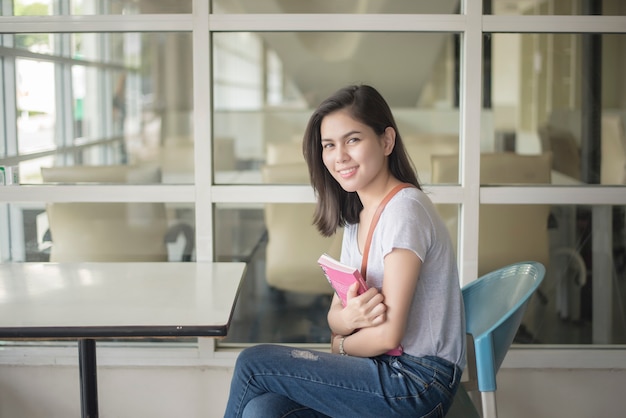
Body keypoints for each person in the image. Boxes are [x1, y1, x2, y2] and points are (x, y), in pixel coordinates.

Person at [224, 84, 466, 418]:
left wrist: (340, 343)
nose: (339, 157)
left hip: (417, 383)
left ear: (386, 141)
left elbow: (387, 335)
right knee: (264, 410)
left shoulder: (404, 212)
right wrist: (348, 320)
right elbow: (336, 314)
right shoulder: (357, 218)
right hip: (379, 370)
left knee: (251, 363)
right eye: (329, 145)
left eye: (352, 140)